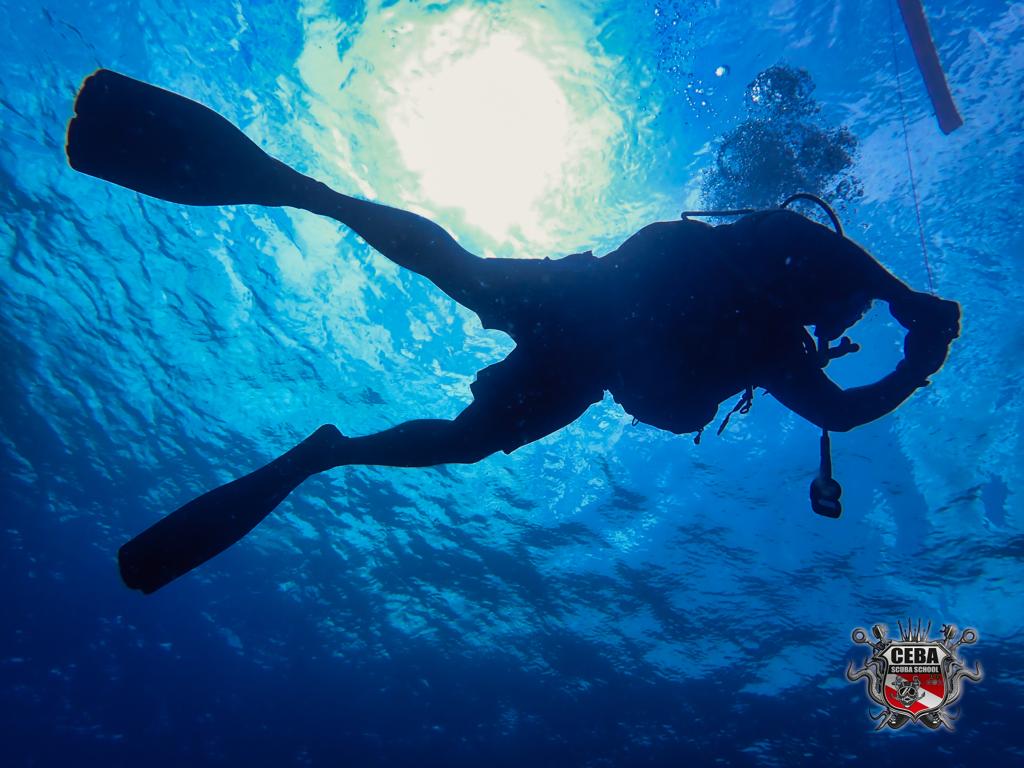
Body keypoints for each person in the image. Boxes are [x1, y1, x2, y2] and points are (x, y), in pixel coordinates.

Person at [66, 70, 959, 593]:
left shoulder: (782, 346)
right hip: (594, 308)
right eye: (853, 305)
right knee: (457, 272)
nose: (849, 315)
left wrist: (916, 361)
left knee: (468, 437)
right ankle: (305, 191)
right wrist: (913, 314)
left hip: (590, 354)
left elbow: (838, 417)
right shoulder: (791, 249)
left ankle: (324, 452)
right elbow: (811, 247)